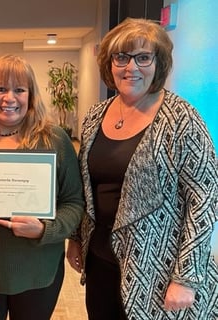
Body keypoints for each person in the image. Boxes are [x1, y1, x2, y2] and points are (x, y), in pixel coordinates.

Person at [66, 18, 218, 319]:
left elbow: (205, 200)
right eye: (121, 57)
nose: (130, 67)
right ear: (109, 63)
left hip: (159, 269)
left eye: (143, 57)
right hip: (101, 260)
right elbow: (87, 188)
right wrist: (76, 238)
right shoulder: (96, 115)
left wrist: (186, 278)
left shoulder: (181, 118)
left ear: (158, 63)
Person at [0, 54, 85, 320]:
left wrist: (46, 229)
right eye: (0, 88)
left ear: (31, 96)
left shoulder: (54, 141)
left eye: (19, 90)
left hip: (38, 272)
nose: (9, 98)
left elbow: (74, 202)